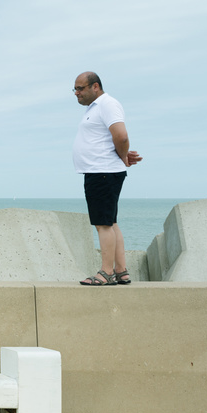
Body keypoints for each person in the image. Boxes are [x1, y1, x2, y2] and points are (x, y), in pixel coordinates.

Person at [72, 71, 143, 286]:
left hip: (102, 171)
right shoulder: (95, 108)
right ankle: (121, 271)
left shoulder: (107, 104)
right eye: (75, 89)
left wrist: (122, 156)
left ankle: (106, 273)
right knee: (110, 223)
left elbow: (121, 135)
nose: (76, 93)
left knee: (103, 225)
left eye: (80, 88)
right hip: (101, 171)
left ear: (95, 86)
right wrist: (122, 156)